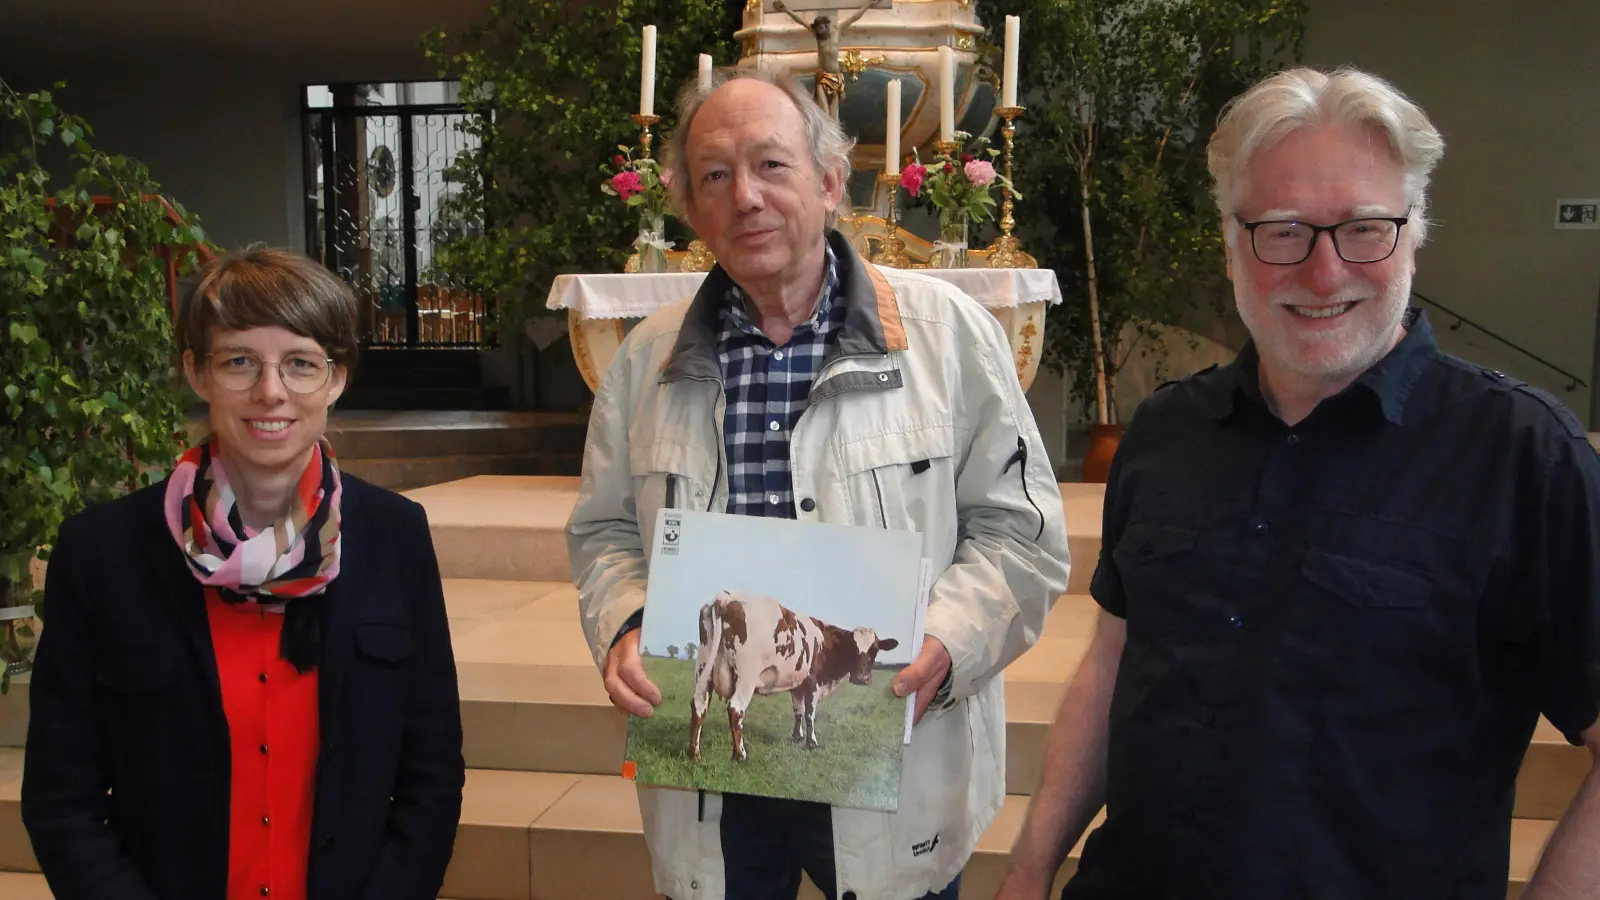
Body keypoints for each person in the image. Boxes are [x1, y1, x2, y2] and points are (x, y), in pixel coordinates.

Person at [995, 66, 1600, 900]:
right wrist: (1029, 869)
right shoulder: (1168, 432)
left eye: (1363, 228)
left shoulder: (1526, 458)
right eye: (1281, 230)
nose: (1323, 274)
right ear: (1229, 239)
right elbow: (1115, 659)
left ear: (1415, 233)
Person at [566, 68, 1072, 900]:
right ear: (691, 209)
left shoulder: (950, 338)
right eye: (716, 176)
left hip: (886, 746)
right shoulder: (645, 359)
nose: (746, 198)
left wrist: (945, 645)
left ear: (832, 182)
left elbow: (1019, 533)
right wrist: (624, 622)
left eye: (772, 166)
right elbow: (606, 534)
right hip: (716, 769)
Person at [22, 247, 466, 900]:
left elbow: (430, 775)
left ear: (336, 378)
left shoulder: (395, 536)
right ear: (196, 373)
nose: (270, 392)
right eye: (238, 362)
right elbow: (63, 797)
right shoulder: (103, 553)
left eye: (300, 363)